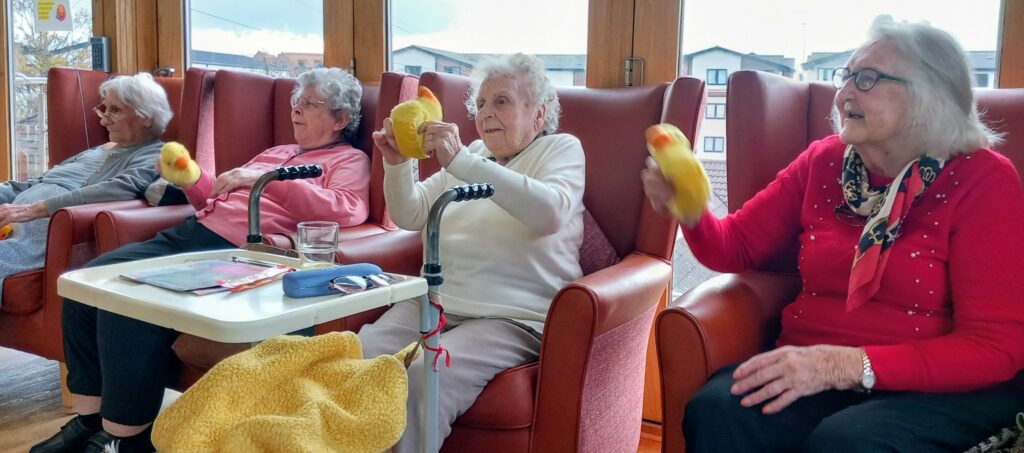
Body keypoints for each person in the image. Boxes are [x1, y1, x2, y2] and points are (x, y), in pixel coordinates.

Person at [643, 16, 1024, 452]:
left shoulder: (982, 179)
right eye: (846, 77)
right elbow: (736, 247)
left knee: (846, 442)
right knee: (718, 409)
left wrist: (845, 365)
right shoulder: (824, 161)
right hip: (816, 366)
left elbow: (996, 346)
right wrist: (691, 211)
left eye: (866, 79)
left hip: (937, 387)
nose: (843, 94)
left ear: (931, 96)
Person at [34, 67, 371, 453]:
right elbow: (216, 199)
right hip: (194, 233)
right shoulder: (277, 151)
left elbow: (349, 209)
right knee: (86, 284)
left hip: (238, 251)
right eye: (297, 100)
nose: (296, 109)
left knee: (128, 303)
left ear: (340, 119)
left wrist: (268, 180)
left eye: (309, 103)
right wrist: (191, 179)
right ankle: (89, 418)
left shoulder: (348, 160)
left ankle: (125, 435)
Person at [365, 53, 585, 451]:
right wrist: (397, 165)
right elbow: (411, 214)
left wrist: (462, 161)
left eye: (501, 101)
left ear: (539, 113)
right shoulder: (472, 158)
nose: (485, 113)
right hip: (435, 305)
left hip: (512, 318)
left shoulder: (559, 150)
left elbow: (549, 213)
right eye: (481, 104)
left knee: (424, 376)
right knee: (359, 356)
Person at [0, 73, 168, 307]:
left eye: (115, 111)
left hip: (46, 225)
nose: (104, 120)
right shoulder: (97, 151)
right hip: (17, 217)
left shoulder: (154, 153)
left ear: (147, 117)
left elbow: (121, 188)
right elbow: (35, 183)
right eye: (104, 109)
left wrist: (38, 208)